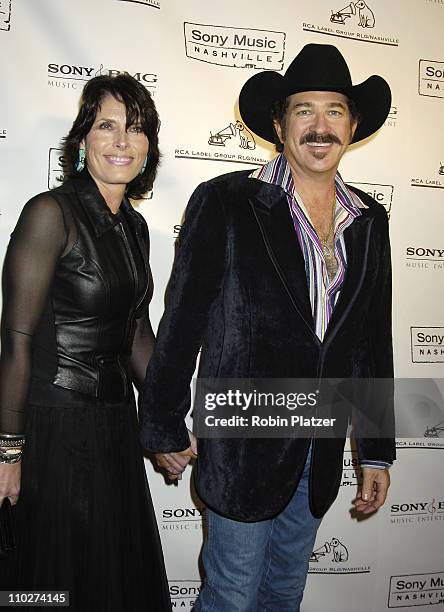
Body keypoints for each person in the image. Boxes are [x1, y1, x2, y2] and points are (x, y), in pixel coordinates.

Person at [139, 43, 395, 611]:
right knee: (231, 596)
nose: (320, 126)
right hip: (242, 446)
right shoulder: (227, 202)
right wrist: (161, 422)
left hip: (319, 445)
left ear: (353, 126)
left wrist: (375, 451)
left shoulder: (369, 221)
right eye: (304, 110)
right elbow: (181, 322)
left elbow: (372, 342)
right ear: (279, 125)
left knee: (284, 594)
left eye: (334, 111)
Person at [0, 74, 171, 611]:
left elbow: (135, 333)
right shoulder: (49, 213)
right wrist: (8, 452)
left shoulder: (136, 228)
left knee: (110, 582)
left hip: (116, 428)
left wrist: (168, 418)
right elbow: (16, 342)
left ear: (150, 147)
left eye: (137, 130)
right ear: (83, 140)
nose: (123, 142)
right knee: (55, 585)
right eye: (107, 126)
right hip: (55, 429)